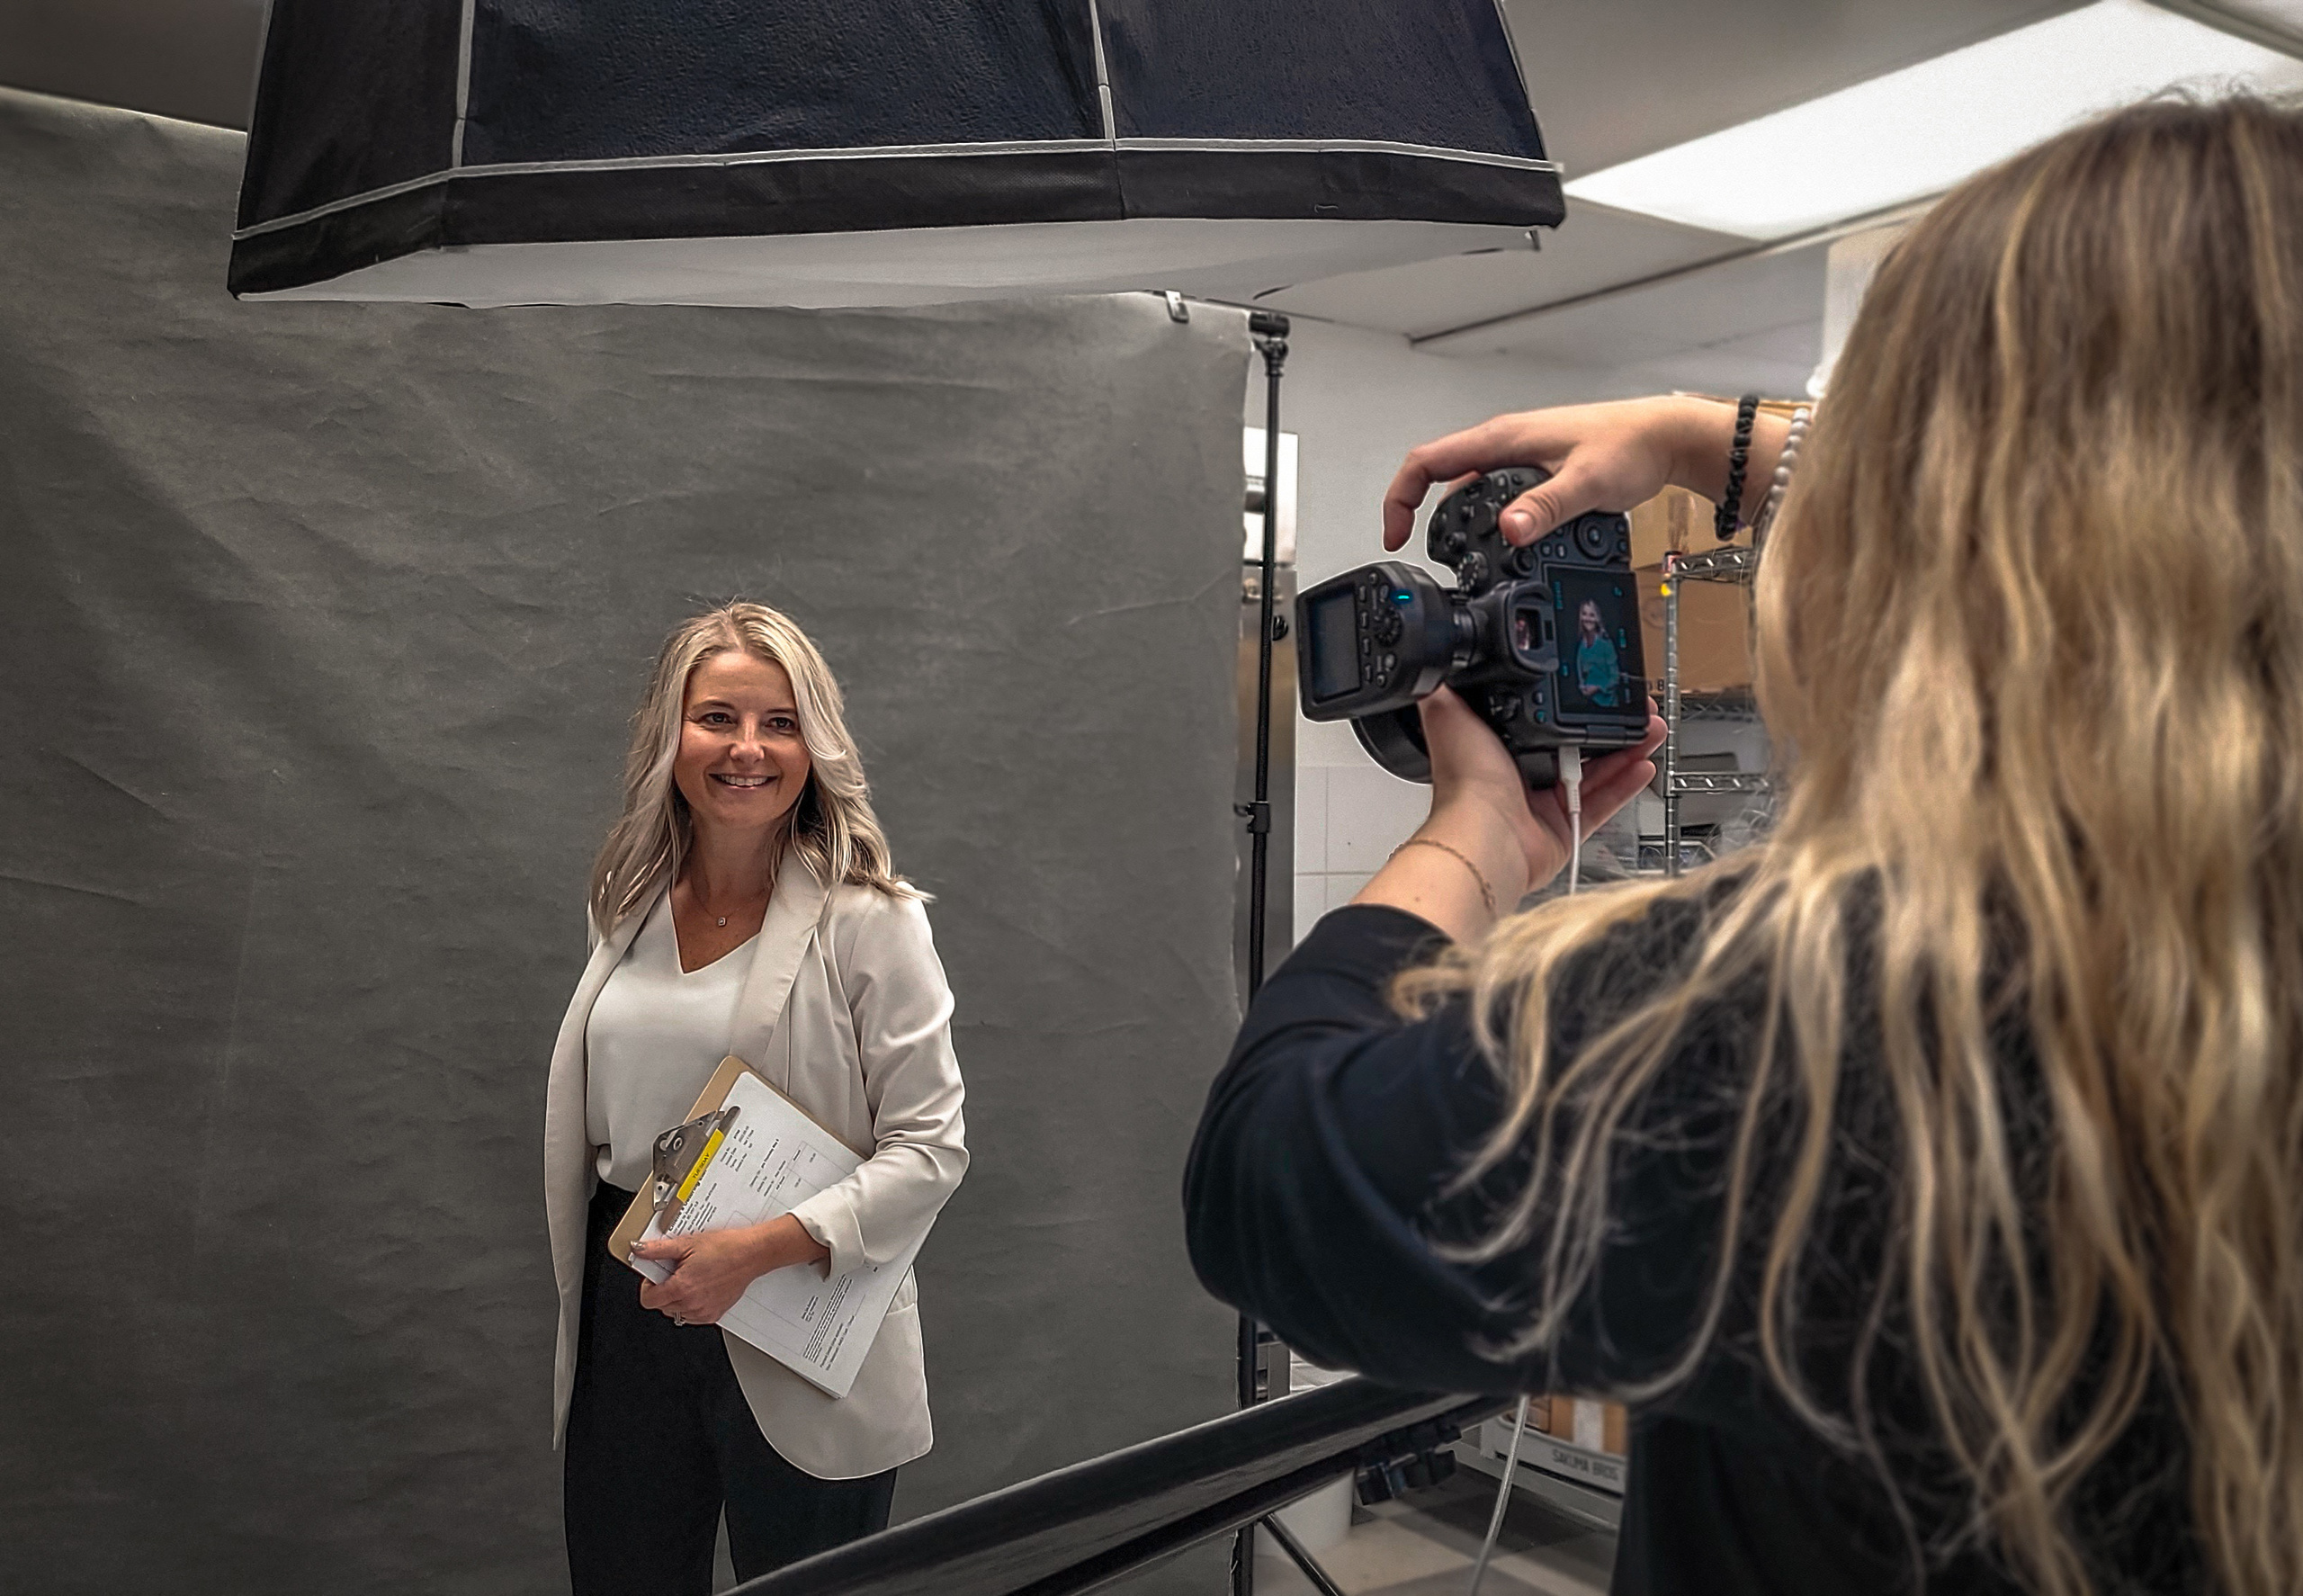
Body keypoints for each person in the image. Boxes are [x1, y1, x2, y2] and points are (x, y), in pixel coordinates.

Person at [1186, 96, 2303, 1596]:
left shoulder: (1834, 1026)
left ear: (1908, 531)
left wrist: (1471, 839)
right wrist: (1706, 440)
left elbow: (1271, 1173)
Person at [543, 602, 967, 1595]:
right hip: (633, 1298)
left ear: (815, 744)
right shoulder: (627, 903)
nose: (748, 748)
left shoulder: (874, 920)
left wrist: (758, 1248)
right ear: (670, 736)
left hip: (795, 1295)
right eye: (718, 717)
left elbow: (931, 1148)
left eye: (780, 721)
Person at [1573, 596, 1621, 706]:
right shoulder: (1581, 644)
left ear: (1597, 618)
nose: (1587, 619)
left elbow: (1615, 677)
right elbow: (1580, 672)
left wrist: (1598, 687)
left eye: (1592, 615)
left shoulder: (1606, 644)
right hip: (1588, 703)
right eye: (1584, 614)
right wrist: (1582, 686)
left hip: (1608, 705)